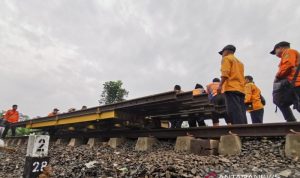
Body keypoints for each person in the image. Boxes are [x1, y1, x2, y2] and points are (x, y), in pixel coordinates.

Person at [217, 45, 247, 124]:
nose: (222, 55)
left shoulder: (226, 59)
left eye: (222, 53)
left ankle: (238, 131)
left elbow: (225, 73)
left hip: (231, 88)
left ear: (226, 51)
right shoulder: (240, 62)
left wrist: (220, 85)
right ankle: (245, 130)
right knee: (241, 110)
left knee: (233, 111)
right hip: (241, 89)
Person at [270, 41, 300, 122]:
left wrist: (277, 76)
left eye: (275, 51)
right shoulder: (287, 55)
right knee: (279, 100)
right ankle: (291, 122)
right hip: (291, 84)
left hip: (296, 83)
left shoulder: (288, 51)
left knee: (297, 104)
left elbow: (288, 65)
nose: (275, 54)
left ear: (279, 48)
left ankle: (291, 122)